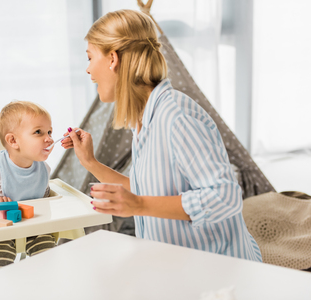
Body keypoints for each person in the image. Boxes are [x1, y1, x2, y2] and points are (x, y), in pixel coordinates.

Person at [62, 9, 262, 261]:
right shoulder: (144, 119)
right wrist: (89, 162)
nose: (89, 70)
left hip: (217, 269)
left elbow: (226, 196)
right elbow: (147, 190)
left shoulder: (175, 116)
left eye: (90, 58)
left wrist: (140, 206)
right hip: (174, 264)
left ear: (112, 59)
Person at [0, 100, 56, 272]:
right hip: (1, 230)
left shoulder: (44, 169)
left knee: (49, 255)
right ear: (13, 140)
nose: (49, 139)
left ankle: (44, 287)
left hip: (33, 225)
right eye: (38, 132)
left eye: (50, 132)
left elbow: (43, 200)